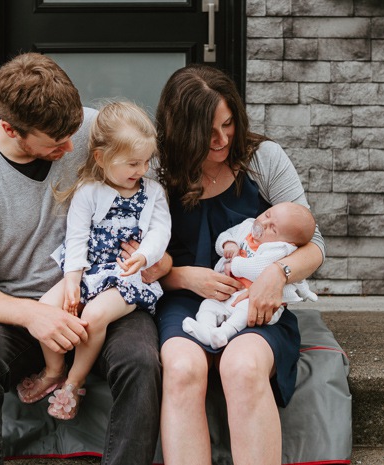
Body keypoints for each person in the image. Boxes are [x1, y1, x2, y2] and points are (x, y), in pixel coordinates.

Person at [0, 53, 162, 465]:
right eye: (55, 143)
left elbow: (152, 183)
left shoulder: (91, 128)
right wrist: (32, 315)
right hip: (27, 311)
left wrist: (160, 257)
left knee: (141, 361)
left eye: (73, 133)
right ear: (11, 128)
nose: (70, 147)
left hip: (108, 292)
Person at [136, 64, 326, 465]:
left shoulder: (264, 159)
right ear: (181, 130)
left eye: (228, 124)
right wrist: (181, 276)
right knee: (183, 367)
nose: (222, 140)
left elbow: (314, 245)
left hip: (255, 301)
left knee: (242, 366)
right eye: (207, 132)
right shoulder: (156, 171)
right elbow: (134, 258)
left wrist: (276, 274)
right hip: (184, 299)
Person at [15, 101, 171, 421]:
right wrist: (72, 280)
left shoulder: (152, 193)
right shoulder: (88, 191)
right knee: (45, 308)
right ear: (101, 158)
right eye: (132, 163)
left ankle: (74, 383)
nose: (141, 170)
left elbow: (160, 230)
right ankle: (55, 368)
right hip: (88, 272)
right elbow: (76, 238)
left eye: (146, 161)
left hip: (130, 275)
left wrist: (144, 256)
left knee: (94, 316)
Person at [182, 202, 318, 350]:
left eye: (273, 229)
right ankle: (206, 330)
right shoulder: (247, 226)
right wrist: (228, 244)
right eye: (267, 214)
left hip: (257, 300)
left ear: (288, 242)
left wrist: (233, 265)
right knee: (208, 305)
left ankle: (224, 332)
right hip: (231, 294)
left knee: (245, 311)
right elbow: (226, 235)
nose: (264, 223)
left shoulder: (280, 248)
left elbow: (259, 268)